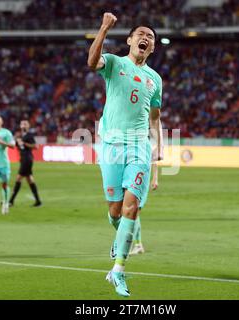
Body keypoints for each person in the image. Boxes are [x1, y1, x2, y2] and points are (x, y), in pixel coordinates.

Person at [87, 13, 163, 297]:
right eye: (141, 34)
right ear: (130, 40)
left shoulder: (155, 79)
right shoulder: (115, 63)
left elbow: (155, 117)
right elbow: (92, 62)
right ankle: (120, 238)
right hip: (110, 146)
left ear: (153, 47)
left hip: (139, 147)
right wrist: (104, 28)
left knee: (132, 207)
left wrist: (159, 145)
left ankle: (118, 270)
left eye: (151, 37)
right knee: (115, 211)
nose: (146, 38)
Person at [9, 120, 42, 207]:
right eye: (22, 124)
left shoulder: (29, 135)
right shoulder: (20, 136)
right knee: (29, 179)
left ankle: (11, 201)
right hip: (23, 159)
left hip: (27, 159)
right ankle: (38, 201)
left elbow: (35, 146)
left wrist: (24, 143)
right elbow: (15, 145)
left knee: (18, 179)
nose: (23, 126)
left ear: (28, 126)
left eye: (25, 124)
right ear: (20, 126)